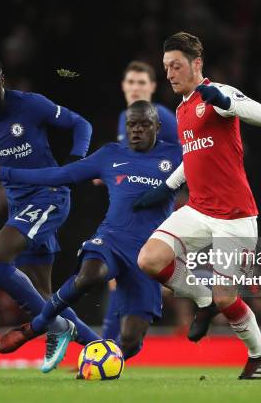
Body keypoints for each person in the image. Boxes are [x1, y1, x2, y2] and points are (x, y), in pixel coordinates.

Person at [0, 101, 182, 371]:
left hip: (149, 253)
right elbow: (60, 175)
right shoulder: (110, 154)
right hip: (112, 240)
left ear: (158, 127)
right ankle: (36, 327)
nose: (137, 130)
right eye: (132, 125)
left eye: (144, 125)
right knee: (89, 274)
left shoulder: (177, 156)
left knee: (130, 341)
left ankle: (97, 367)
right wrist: (6, 173)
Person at [0, 54, 99, 371]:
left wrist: (76, 162)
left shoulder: (30, 104)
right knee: (42, 293)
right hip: (18, 203)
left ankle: (53, 328)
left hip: (49, 195)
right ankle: (99, 346)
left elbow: (81, 123)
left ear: (3, 80)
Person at [133, 32, 261, 379]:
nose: (169, 74)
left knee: (228, 298)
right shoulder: (182, 109)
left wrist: (225, 102)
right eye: (166, 67)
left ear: (196, 64)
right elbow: (193, 155)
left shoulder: (219, 92)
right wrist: (167, 188)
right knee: (149, 260)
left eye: (176, 66)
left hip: (235, 217)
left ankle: (260, 355)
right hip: (198, 209)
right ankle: (202, 298)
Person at [103, 60, 179, 341]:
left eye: (141, 83)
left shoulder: (163, 117)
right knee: (121, 280)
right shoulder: (126, 118)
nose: (135, 88)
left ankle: (108, 347)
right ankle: (108, 347)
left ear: (153, 87)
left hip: (161, 209)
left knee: (149, 276)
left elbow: (187, 157)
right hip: (133, 210)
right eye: (131, 82)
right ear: (123, 86)